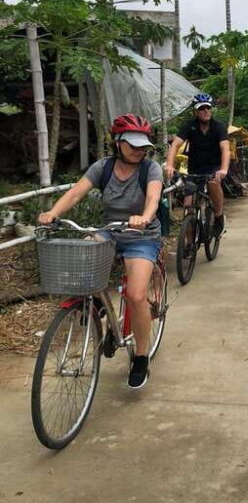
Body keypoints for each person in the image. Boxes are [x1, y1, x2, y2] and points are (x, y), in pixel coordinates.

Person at [38, 114, 163, 389]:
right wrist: (52, 212)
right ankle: (98, 305)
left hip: (142, 235)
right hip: (110, 229)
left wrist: (143, 216)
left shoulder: (150, 169)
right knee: (86, 258)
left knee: (136, 294)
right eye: (133, 144)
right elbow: (75, 193)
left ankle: (141, 357)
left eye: (144, 145)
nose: (139, 150)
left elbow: (154, 197)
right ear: (118, 142)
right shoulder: (102, 167)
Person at [165, 93, 229, 236]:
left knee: (213, 183)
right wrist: (169, 165)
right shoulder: (190, 125)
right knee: (188, 206)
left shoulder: (218, 126)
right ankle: (188, 243)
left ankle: (218, 216)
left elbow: (225, 148)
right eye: (202, 108)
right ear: (195, 111)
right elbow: (175, 145)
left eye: (208, 107)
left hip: (214, 167)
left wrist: (224, 169)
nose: (206, 110)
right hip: (195, 168)